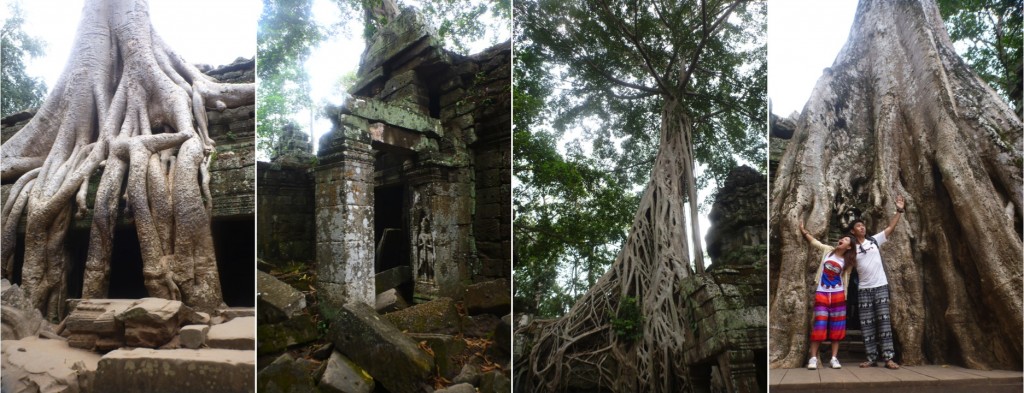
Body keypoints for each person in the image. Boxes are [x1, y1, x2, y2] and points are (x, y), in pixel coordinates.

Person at [849, 195, 905, 369]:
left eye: (863, 225)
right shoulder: (851, 249)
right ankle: (871, 357)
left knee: (884, 322)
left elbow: (890, 228)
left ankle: (888, 358)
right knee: (867, 325)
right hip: (863, 289)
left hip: (880, 286)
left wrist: (899, 210)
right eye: (858, 226)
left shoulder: (874, 240)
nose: (862, 227)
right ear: (853, 231)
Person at [799, 222, 856, 370]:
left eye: (846, 240)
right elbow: (815, 243)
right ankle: (813, 358)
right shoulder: (828, 251)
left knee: (837, 327)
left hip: (838, 295)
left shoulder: (848, 262)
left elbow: (848, 277)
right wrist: (804, 231)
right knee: (819, 325)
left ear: (848, 247)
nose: (842, 239)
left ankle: (834, 358)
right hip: (822, 293)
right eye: (842, 238)